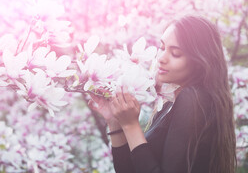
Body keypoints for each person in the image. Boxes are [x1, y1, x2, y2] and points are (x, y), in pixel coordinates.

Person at [89, 15, 237, 173]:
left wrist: (131, 125)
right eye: (162, 48)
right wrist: (115, 123)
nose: (161, 58)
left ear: (199, 61)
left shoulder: (194, 100)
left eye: (176, 54)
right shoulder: (169, 105)